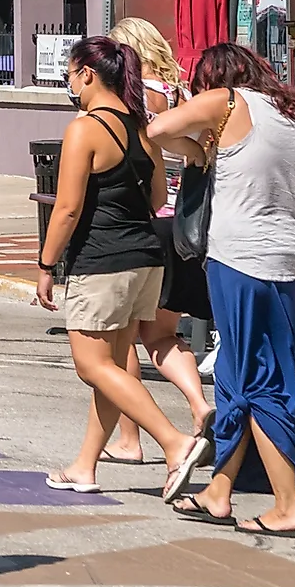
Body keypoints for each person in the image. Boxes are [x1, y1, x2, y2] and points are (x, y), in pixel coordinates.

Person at [149, 41, 295, 535]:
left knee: (259, 380)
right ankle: (219, 491)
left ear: (215, 79)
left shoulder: (226, 101)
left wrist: (195, 150)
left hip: (239, 259)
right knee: (234, 373)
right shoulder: (292, 115)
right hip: (286, 258)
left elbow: (156, 128)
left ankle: (287, 507)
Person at [34, 36, 206, 499]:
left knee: (92, 366)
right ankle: (84, 466)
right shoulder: (140, 127)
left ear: (88, 74)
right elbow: (157, 197)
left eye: (71, 75)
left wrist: (46, 264)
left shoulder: (85, 129)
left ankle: (174, 441)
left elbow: (67, 208)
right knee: (111, 367)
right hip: (145, 258)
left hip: (102, 260)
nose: (70, 83)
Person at [101, 15, 215, 467]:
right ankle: (198, 403)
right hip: (183, 225)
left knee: (123, 338)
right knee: (164, 334)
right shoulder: (183, 94)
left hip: (145, 222)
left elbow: (140, 142)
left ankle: (130, 439)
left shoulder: (132, 96)